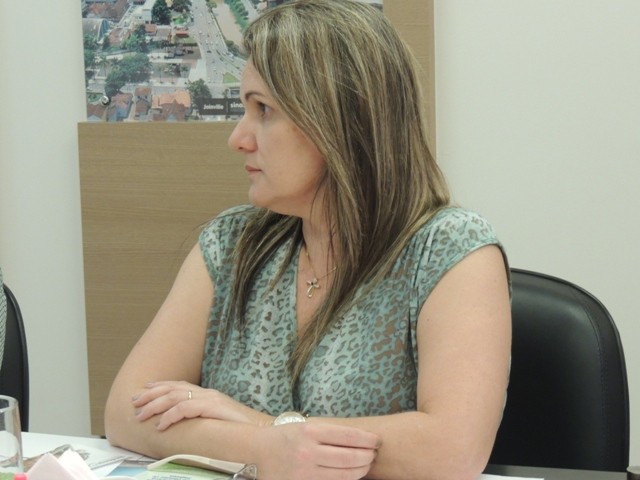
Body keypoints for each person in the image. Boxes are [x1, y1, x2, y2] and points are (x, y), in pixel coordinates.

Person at [104, 1, 511, 479]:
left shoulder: (451, 249)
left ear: (338, 119)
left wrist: (266, 429)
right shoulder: (232, 242)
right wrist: (265, 446)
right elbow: (126, 412)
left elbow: (450, 451)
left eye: (263, 110)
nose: (238, 138)